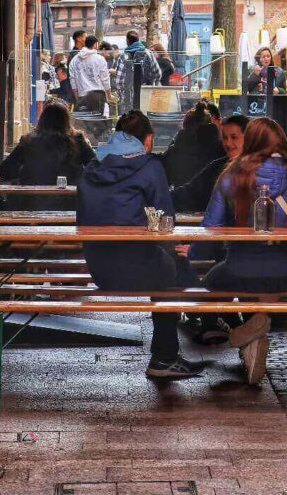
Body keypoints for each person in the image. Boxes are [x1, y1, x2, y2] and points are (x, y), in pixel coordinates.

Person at [199, 117, 287, 384]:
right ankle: (253, 329)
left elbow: (210, 228)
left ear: (250, 141)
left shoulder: (231, 174)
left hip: (238, 272)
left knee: (208, 284)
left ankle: (245, 328)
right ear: (281, 141)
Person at [77, 111, 202, 380]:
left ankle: (176, 346)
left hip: (99, 268)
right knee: (173, 266)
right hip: (139, 267)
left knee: (170, 263)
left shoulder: (92, 168)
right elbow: (166, 219)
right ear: (148, 140)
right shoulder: (150, 167)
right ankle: (168, 353)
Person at [0, 101, 94, 210]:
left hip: (32, 206)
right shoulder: (77, 140)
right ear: (67, 121)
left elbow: (5, 171)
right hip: (71, 204)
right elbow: (96, 167)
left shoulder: (28, 141)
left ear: (42, 120)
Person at [161, 102, 228, 212]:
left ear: (184, 126)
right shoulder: (223, 151)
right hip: (216, 210)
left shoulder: (175, 150)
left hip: (181, 208)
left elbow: (163, 180)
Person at [115, 31, 162, 113]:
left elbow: (119, 82)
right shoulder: (148, 53)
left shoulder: (123, 56)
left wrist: (122, 95)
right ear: (138, 40)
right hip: (146, 95)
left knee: (130, 122)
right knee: (146, 120)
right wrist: (152, 86)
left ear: (127, 41)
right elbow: (158, 73)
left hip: (129, 99)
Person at [69, 34, 114, 114]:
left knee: (84, 122)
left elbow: (72, 80)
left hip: (82, 96)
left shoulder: (74, 60)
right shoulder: (100, 59)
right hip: (97, 96)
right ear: (96, 44)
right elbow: (105, 79)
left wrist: (77, 97)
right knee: (97, 121)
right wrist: (109, 96)